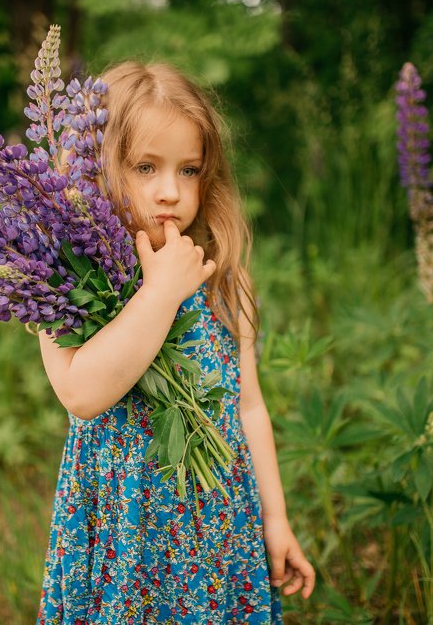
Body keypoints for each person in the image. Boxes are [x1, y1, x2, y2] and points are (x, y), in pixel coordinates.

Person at [36, 61, 315, 623]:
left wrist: (275, 519)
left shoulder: (219, 275)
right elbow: (81, 393)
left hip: (216, 531)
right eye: (145, 166)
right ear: (94, 166)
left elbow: (249, 405)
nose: (170, 191)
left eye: (189, 170)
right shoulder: (64, 276)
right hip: (124, 534)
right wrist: (160, 293)